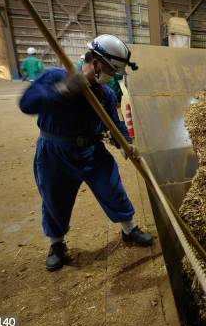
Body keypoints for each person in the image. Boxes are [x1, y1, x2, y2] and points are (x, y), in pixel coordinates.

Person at [19, 34, 152, 271]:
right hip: (55, 151)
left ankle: (129, 229)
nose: (112, 77)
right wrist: (63, 89)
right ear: (98, 63)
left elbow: (114, 123)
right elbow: (27, 103)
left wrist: (126, 143)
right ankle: (57, 244)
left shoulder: (105, 94)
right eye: (112, 70)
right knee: (54, 196)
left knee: (111, 186)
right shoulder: (55, 77)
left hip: (91, 150)